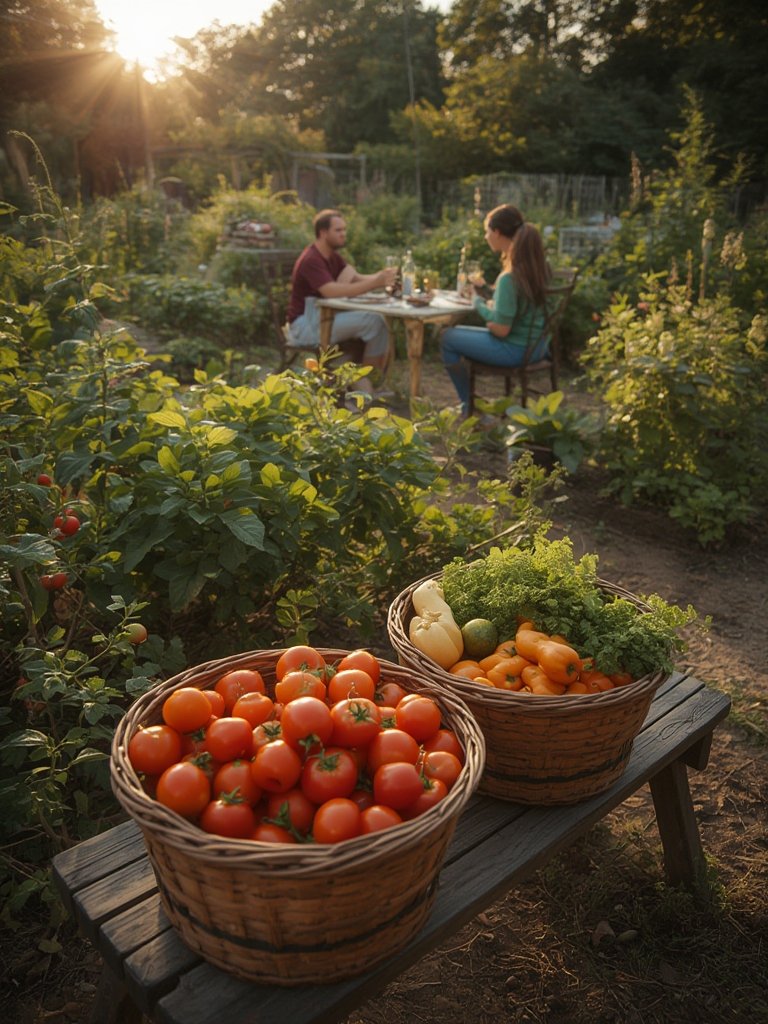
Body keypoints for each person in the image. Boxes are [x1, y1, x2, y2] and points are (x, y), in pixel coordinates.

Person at [441, 204, 552, 416]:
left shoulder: (509, 277)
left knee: (447, 337)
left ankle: (469, 406)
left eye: (487, 231)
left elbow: (501, 330)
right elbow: (516, 306)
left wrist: (478, 303)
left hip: (516, 351)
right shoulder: (538, 268)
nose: (485, 236)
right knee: (463, 333)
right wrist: (487, 292)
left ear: (497, 232)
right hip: (539, 346)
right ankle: (471, 405)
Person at [286, 209, 397, 393]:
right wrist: (375, 282)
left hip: (322, 318)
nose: (343, 234)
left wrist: (382, 278)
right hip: (305, 325)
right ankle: (368, 383)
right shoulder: (311, 259)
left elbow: (358, 279)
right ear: (323, 233)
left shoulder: (332, 256)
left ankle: (363, 383)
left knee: (378, 320)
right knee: (374, 321)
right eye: (338, 230)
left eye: (344, 229)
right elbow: (331, 292)